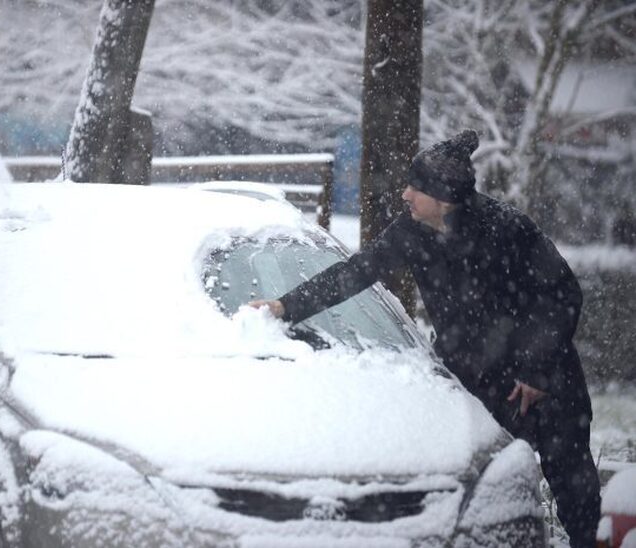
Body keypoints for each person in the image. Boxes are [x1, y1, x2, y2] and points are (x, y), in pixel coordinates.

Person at [250, 129, 600, 548]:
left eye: (415, 187)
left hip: (545, 384)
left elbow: (561, 294)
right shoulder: (411, 231)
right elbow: (355, 273)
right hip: (478, 382)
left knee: (575, 493)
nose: (405, 194)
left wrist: (536, 370)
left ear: (444, 195)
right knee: (486, 495)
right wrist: (286, 307)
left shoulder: (508, 228)